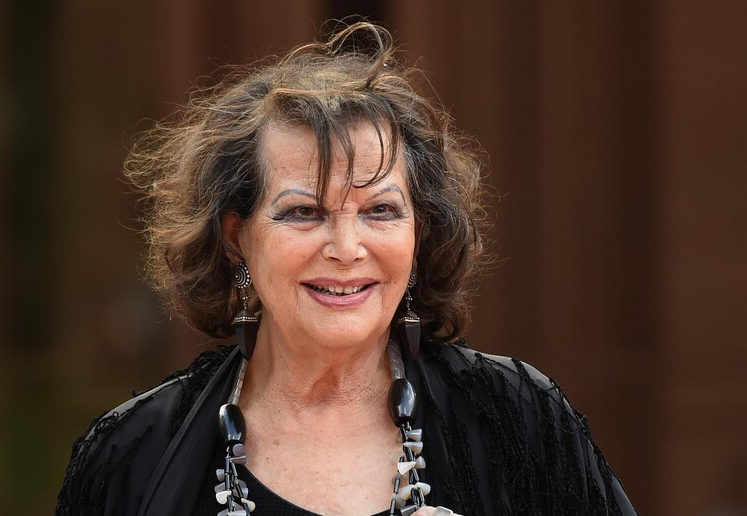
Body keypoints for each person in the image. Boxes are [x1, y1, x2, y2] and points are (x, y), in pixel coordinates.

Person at [56, 22, 637, 516]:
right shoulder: (133, 456)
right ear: (236, 239)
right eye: (303, 212)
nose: (346, 247)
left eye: (381, 210)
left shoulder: (521, 422)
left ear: (420, 233)